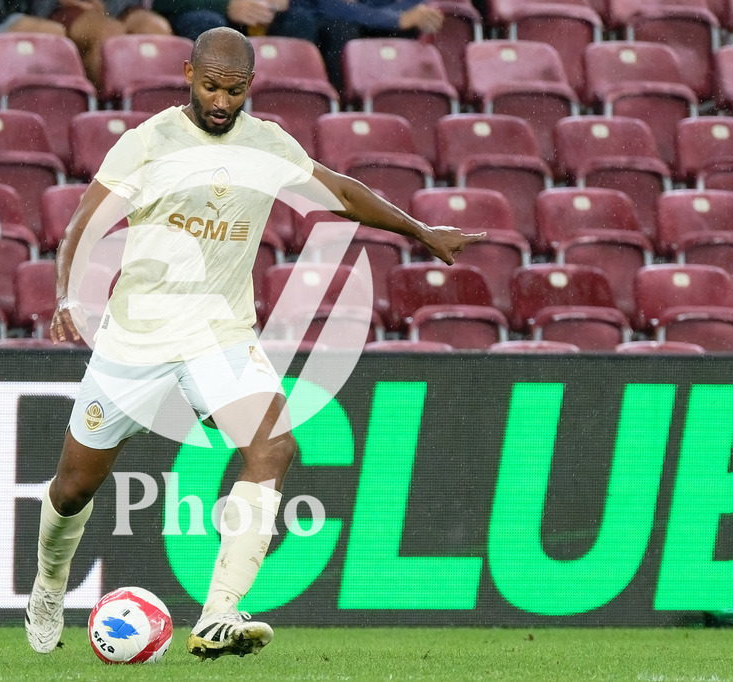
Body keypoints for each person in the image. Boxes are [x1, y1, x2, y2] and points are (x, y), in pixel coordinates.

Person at [24, 26, 483, 660]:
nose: (220, 101)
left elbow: (343, 194)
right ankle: (49, 585)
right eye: (210, 87)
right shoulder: (149, 141)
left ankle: (217, 613)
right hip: (137, 338)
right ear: (187, 74)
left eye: (233, 90)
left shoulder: (268, 144)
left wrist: (420, 230)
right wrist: (67, 295)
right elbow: (84, 221)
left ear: (250, 86)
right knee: (73, 488)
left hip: (219, 334)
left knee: (274, 446)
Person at [28, 0, 174, 91]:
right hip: (61, 7)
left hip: (122, 6)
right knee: (108, 34)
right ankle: (109, 116)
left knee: (156, 30)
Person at [313, 0, 445, 91]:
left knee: (410, 30)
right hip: (328, 32)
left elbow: (414, 9)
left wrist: (398, 18)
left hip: (376, 26)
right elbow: (332, 7)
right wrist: (396, 19)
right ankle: (345, 109)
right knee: (341, 29)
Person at [154, 0, 318, 43]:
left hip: (267, 18)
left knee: (300, 20)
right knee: (207, 24)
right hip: (210, 17)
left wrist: (284, 3)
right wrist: (226, 6)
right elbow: (162, 4)